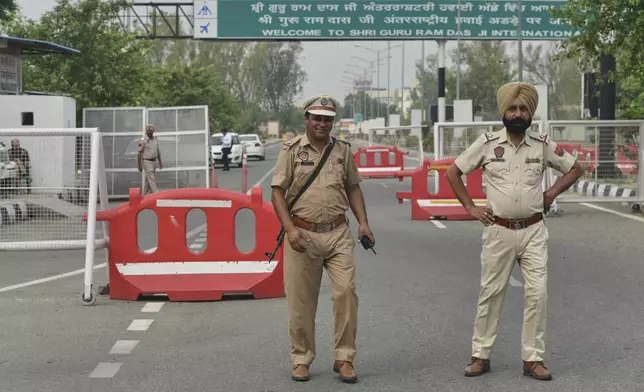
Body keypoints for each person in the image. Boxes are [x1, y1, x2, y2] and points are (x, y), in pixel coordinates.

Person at [445, 82, 584, 381]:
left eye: (523, 108)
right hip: (498, 230)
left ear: (530, 113)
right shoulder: (486, 143)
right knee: (491, 294)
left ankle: (532, 359)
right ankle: (480, 356)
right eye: (512, 108)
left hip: (534, 230)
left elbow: (575, 168)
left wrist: (551, 194)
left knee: (538, 294)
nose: (517, 113)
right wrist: (471, 208)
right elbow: (453, 172)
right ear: (503, 112)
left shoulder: (542, 144)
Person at [270, 94, 374, 384]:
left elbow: (353, 187)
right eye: (316, 118)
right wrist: (290, 229)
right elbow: (277, 192)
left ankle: (344, 358)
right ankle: (301, 358)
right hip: (302, 235)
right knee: (301, 302)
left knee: (345, 294)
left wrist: (363, 223)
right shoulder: (292, 150)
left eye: (327, 119)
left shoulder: (342, 150)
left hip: (338, 233)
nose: (322, 123)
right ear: (306, 120)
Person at [138, 124, 163, 195]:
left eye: (151, 131)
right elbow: (139, 153)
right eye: (148, 131)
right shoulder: (143, 140)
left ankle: (144, 195)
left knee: (148, 180)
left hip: (154, 161)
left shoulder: (155, 139)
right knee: (152, 179)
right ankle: (157, 194)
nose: (150, 132)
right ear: (146, 132)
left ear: (153, 131)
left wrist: (160, 162)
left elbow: (157, 151)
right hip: (146, 161)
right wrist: (139, 165)